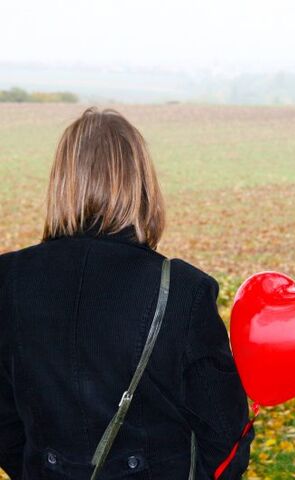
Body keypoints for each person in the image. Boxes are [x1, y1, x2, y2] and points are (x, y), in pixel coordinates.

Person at [0, 107, 255, 479]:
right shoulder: (183, 291)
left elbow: (5, 421)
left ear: (61, 183)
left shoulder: (9, 280)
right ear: (142, 183)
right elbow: (224, 435)